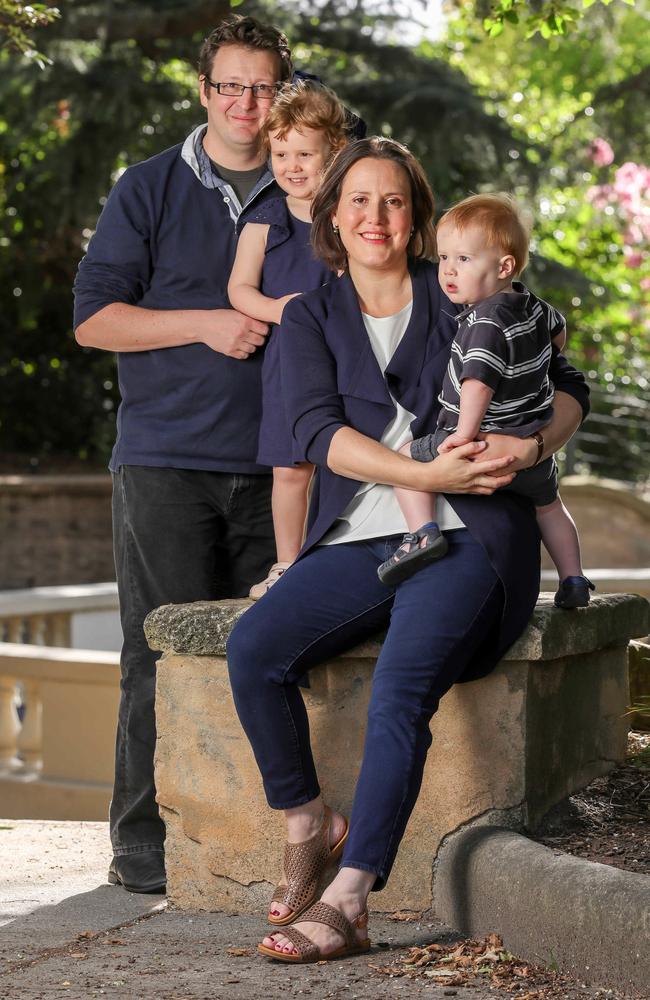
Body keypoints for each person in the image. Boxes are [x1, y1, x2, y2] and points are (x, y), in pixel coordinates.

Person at [226, 137, 589, 962]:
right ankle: (308, 821)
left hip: (474, 535)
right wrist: (418, 466)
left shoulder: (466, 286)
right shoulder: (310, 316)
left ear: (417, 216)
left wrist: (529, 452)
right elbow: (319, 434)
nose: (375, 217)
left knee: (400, 691)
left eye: (393, 201)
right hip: (365, 531)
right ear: (332, 216)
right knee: (253, 648)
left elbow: (569, 388)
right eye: (358, 200)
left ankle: (350, 899)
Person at [72, 15, 293, 895]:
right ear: (204, 92)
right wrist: (205, 322)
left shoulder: (309, 190)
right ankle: (142, 844)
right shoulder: (150, 186)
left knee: (269, 653)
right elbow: (94, 320)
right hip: (166, 461)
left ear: (282, 94)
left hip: (286, 466)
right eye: (230, 86)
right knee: (154, 655)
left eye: (263, 87)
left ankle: (254, 838)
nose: (246, 103)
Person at [377, 193, 594, 610]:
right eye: (443, 258)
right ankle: (574, 578)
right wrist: (541, 362)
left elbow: (477, 383)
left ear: (504, 266)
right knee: (549, 508)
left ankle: (422, 533)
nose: (448, 271)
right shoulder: (530, 305)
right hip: (530, 437)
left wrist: (462, 435)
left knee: (404, 462)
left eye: (463, 259)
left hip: (483, 437)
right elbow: (558, 334)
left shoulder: (484, 323)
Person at [228, 80, 348, 599]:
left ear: (334, 152)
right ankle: (287, 563)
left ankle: (345, 560)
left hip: (347, 358)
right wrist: (281, 311)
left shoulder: (348, 217)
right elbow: (239, 290)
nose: (292, 165)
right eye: (281, 153)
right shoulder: (263, 222)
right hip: (289, 362)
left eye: (305, 153)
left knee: (348, 462)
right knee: (291, 469)